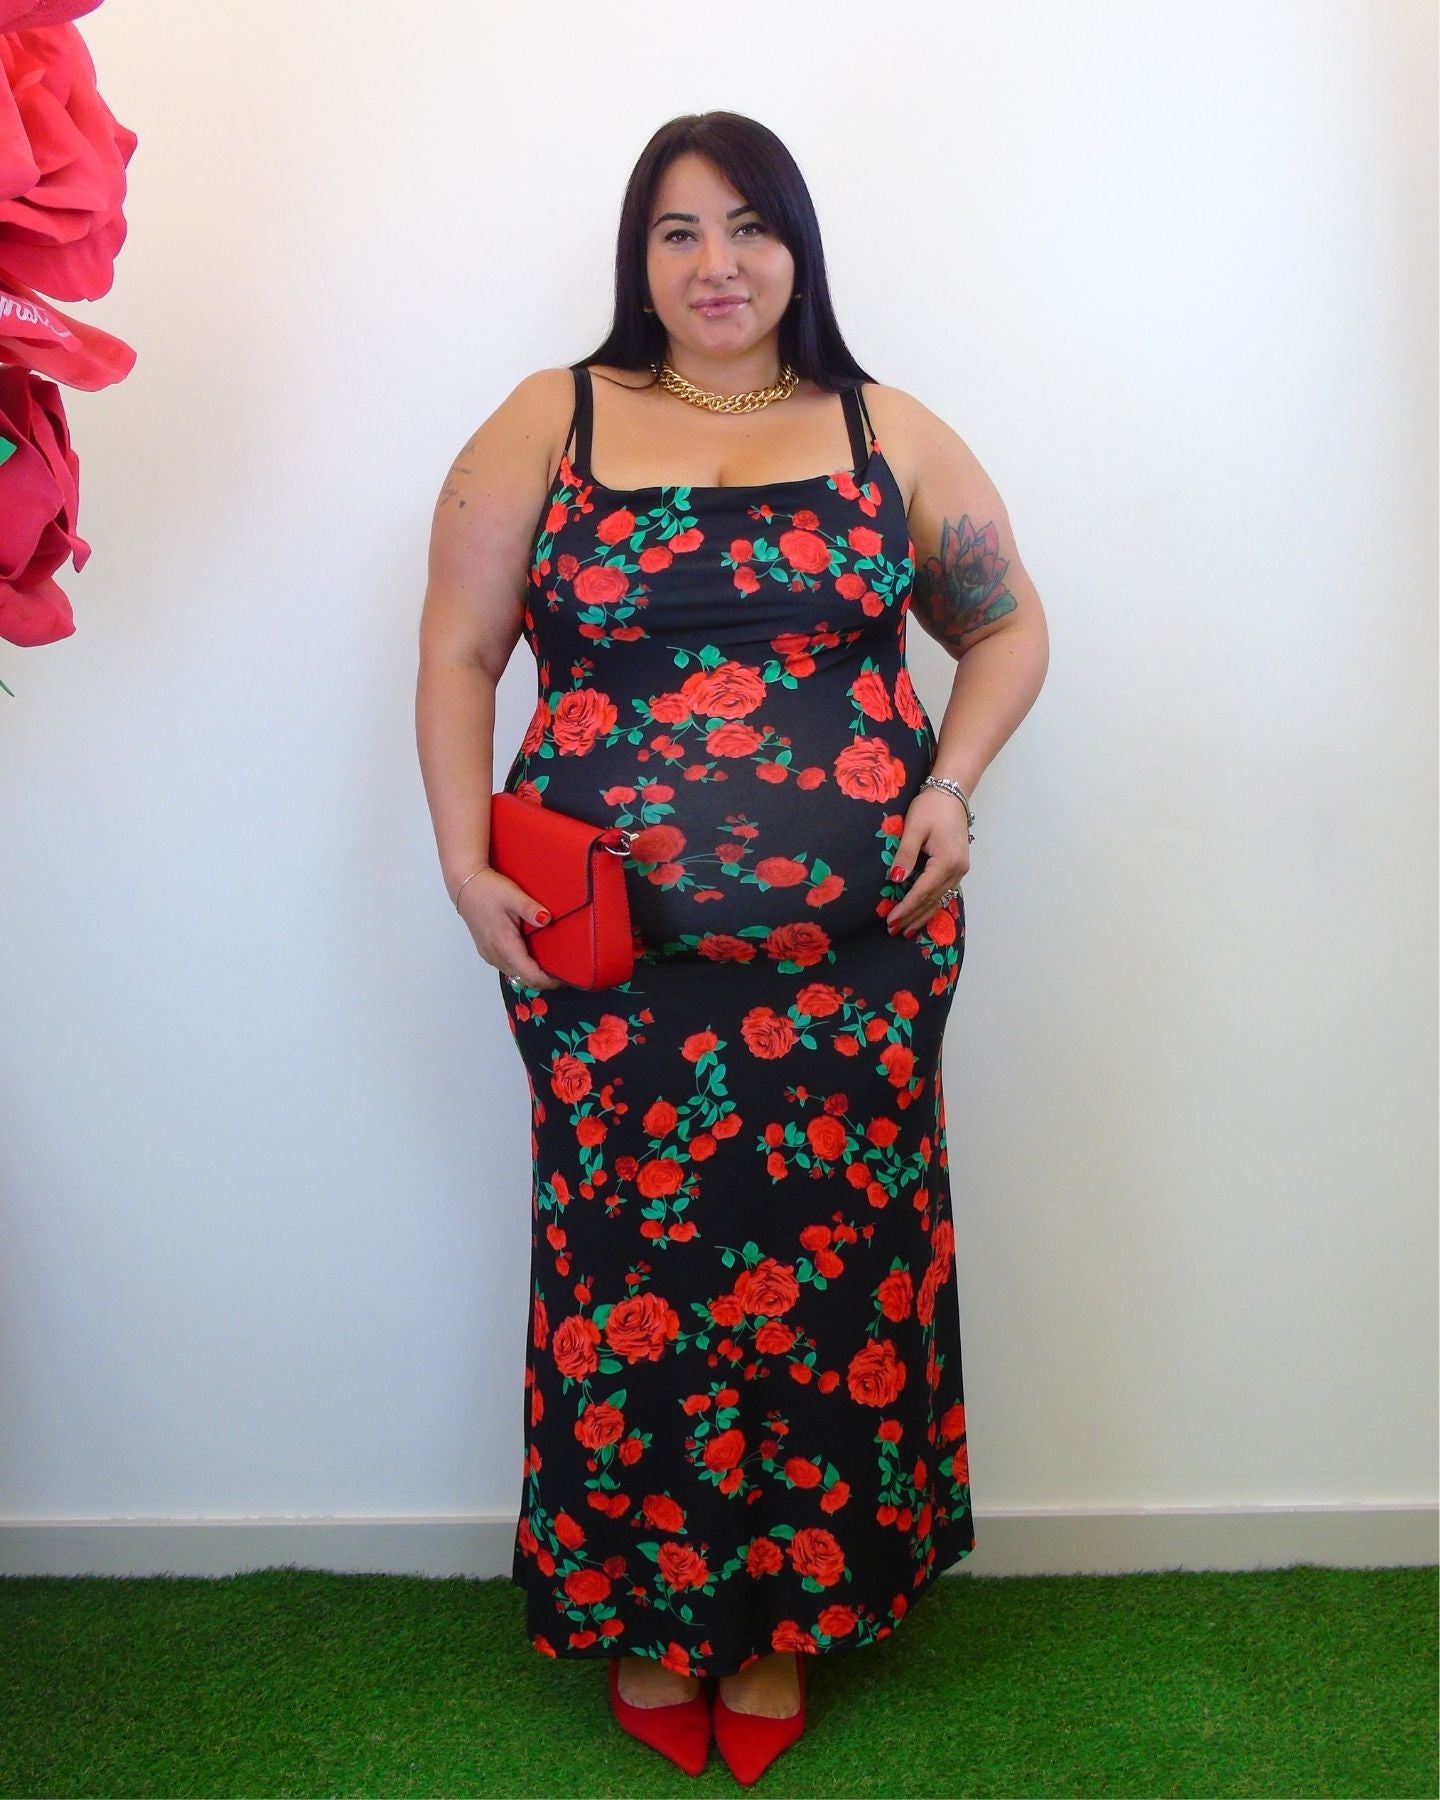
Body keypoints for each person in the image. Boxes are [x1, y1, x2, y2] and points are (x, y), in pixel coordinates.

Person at [415, 111, 1050, 1784]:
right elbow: (460, 652)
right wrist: (464, 860)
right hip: (604, 963)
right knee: (627, 1275)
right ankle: (646, 1615)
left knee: (826, 1274)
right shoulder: (545, 422)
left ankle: (781, 1627)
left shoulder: (886, 431)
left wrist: (951, 787)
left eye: (750, 226)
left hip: (862, 963)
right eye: (680, 231)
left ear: (797, 248)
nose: (719, 264)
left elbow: (1005, 625)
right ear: (639, 257)